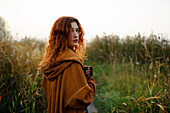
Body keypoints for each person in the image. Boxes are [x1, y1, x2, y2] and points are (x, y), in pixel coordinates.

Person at [39, 16, 96, 113]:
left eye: (77, 30)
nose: (75, 35)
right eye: (70, 31)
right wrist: (90, 80)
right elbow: (83, 98)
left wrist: (81, 75)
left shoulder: (51, 61)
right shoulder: (73, 63)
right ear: (62, 35)